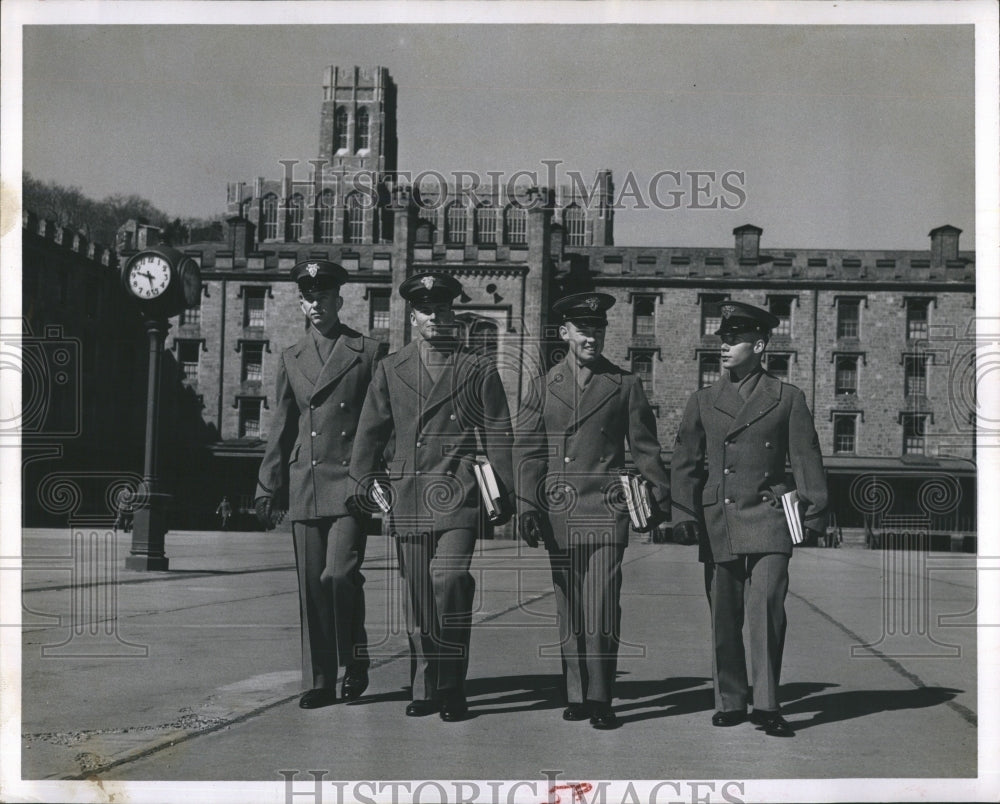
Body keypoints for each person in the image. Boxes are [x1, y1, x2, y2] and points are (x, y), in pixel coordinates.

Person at [348, 271, 514, 722]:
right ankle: (425, 686)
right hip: (408, 493)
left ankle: (452, 685)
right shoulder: (391, 368)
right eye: (426, 310)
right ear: (413, 317)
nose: (435, 317)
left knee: (450, 579)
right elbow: (370, 432)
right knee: (419, 596)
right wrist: (363, 481)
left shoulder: (477, 367)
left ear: (452, 313)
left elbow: (498, 432)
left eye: (442, 308)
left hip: (458, 492)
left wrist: (504, 492)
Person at [671, 301, 828, 738]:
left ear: (758, 346)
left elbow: (806, 458)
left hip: (769, 516)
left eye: (734, 339)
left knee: (767, 611)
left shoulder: (787, 398)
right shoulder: (703, 400)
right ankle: (730, 700)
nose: (724, 346)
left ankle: (767, 704)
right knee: (724, 616)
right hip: (718, 518)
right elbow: (685, 461)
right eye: (723, 339)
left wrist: (814, 514)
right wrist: (683, 512)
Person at [515, 292, 671, 730]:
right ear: (565, 333)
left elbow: (645, 448)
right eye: (583, 330)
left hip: (605, 509)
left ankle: (601, 696)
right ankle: (576, 693)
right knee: (569, 606)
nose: (591, 337)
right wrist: (527, 505)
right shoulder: (542, 385)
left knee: (601, 605)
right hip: (559, 510)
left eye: (598, 329)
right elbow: (527, 450)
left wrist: (660, 500)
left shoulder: (624, 384)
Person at [254, 259, 381, 710]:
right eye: (308, 299)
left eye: (323, 297)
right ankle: (321, 680)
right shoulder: (291, 357)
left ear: (339, 300)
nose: (315, 305)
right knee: (312, 586)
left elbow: (379, 422)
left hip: (350, 483)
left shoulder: (367, 352)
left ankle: (355, 655)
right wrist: (267, 485)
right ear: (301, 304)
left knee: (339, 574)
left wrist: (380, 478)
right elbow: (282, 426)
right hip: (305, 482)